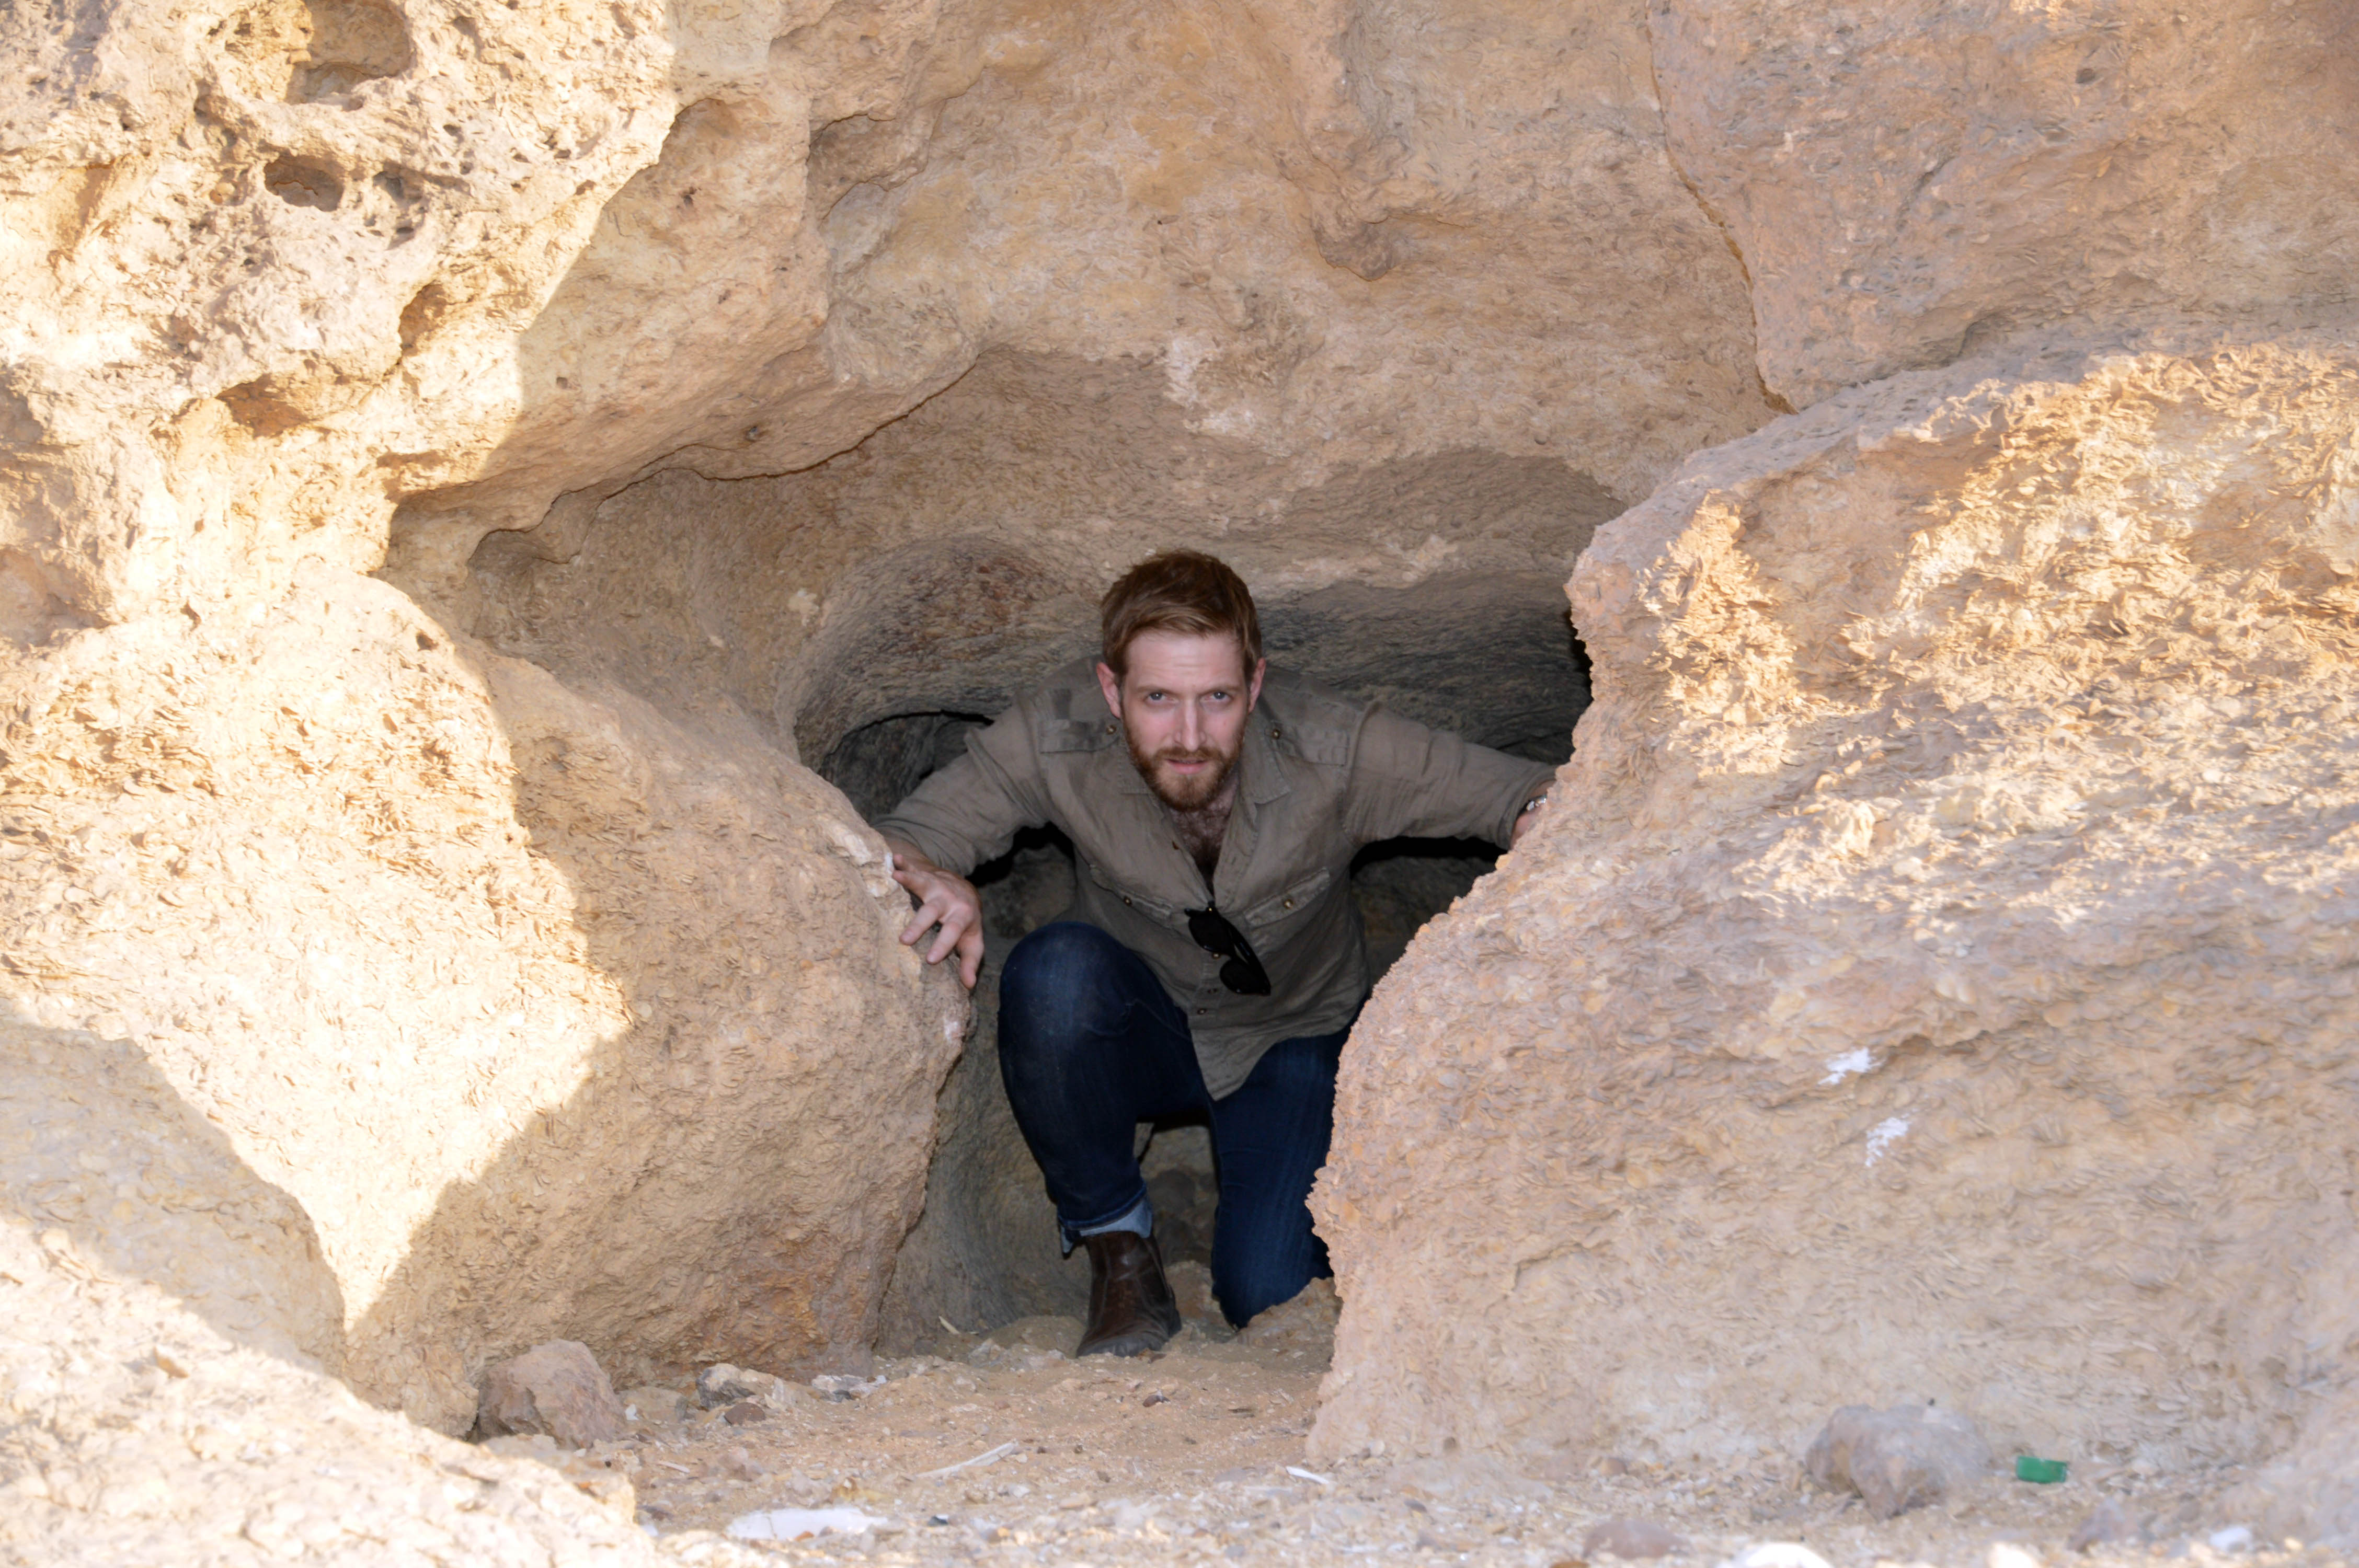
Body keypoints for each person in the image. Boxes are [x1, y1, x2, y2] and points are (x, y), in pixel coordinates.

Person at [873, 551, 1554, 1356]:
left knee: (1264, 1296)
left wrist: (1545, 839)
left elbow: (1528, 794)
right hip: (1140, 1025)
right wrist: (929, 874)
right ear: (1110, 691)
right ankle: (1121, 1252)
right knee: (1053, 975)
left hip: (1291, 1036)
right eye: (1158, 699)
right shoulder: (1057, 735)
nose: (1190, 737)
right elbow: (899, 839)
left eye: (1218, 699)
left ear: (1256, 686)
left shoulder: (1336, 748)